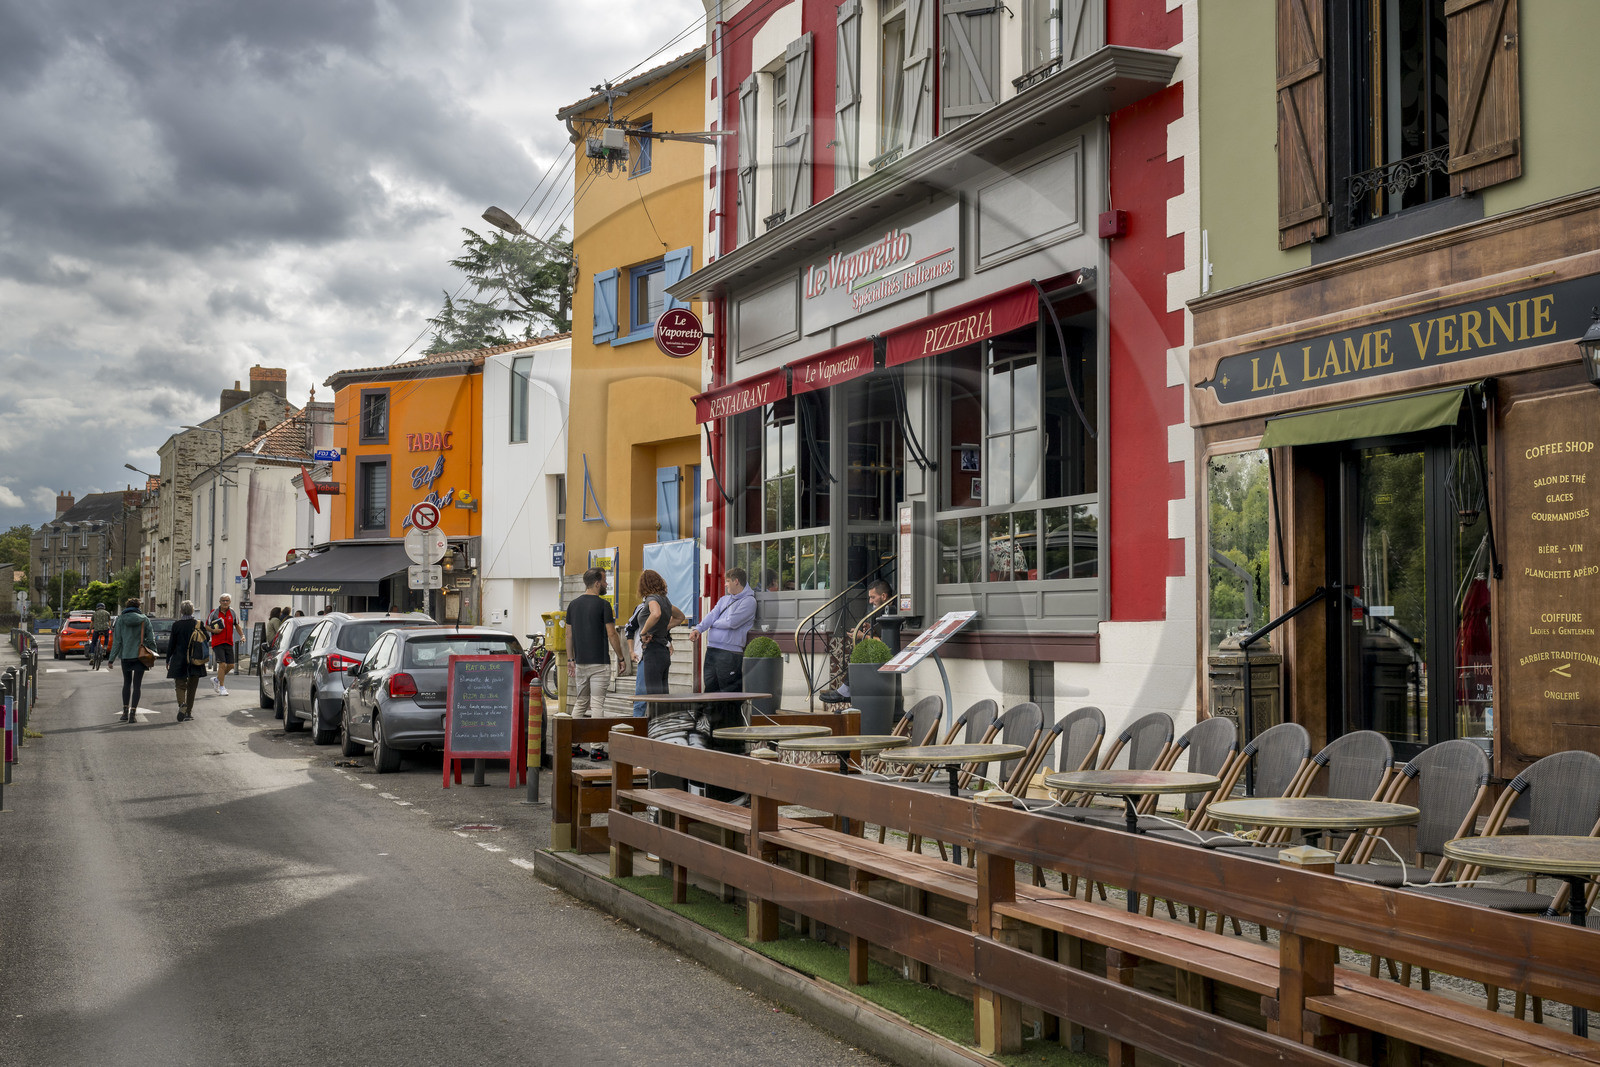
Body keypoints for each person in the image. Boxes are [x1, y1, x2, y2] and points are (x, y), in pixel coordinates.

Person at [565, 568, 629, 727]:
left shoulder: (573, 605)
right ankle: (596, 742)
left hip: (580, 663)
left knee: (581, 702)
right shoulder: (604, 605)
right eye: (604, 581)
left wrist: (570, 659)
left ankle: (571, 739)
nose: (606, 584)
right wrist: (621, 658)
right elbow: (612, 634)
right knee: (597, 704)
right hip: (599, 664)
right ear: (597, 583)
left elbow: (568, 635)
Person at [820, 580, 893, 703]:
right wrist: (870, 629)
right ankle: (848, 689)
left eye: (873, 597)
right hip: (878, 657)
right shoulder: (881, 610)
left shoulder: (892, 611)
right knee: (859, 645)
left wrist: (863, 636)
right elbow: (880, 634)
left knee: (862, 645)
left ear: (884, 596)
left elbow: (885, 642)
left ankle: (847, 690)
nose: (870, 601)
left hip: (890, 657)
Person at [690, 567, 757, 693]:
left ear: (736, 581)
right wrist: (698, 629)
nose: (725, 584)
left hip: (730, 653)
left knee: (729, 693)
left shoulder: (749, 601)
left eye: (727, 581)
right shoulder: (724, 599)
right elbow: (711, 615)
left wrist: (713, 624)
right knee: (710, 691)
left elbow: (732, 622)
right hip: (712, 650)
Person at [633, 569, 686, 698]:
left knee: (654, 695)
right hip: (663, 651)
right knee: (663, 695)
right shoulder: (665, 601)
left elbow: (656, 613)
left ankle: (655, 712)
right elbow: (680, 617)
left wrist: (644, 632)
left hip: (653, 650)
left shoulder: (651, 599)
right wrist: (663, 627)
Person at [107, 597, 155, 723]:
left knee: (127, 683)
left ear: (127, 607)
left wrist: (111, 659)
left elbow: (117, 641)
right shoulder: (144, 619)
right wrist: (154, 654)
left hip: (126, 656)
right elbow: (151, 639)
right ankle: (133, 714)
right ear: (138, 607)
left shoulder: (121, 620)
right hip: (140, 656)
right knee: (137, 685)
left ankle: (124, 713)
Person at [167, 600, 207, 721]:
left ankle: (182, 704)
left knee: (180, 685)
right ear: (192, 611)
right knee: (192, 687)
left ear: (181, 611)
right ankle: (188, 712)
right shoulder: (198, 624)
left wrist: (168, 659)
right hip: (195, 659)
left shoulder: (176, 625)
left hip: (179, 659)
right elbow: (207, 638)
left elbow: (171, 644)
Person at [207, 593, 238, 696]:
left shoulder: (232, 612)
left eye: (227, 600)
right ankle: (222, 687)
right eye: (223, 600)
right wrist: (214, 630)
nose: (225, 602)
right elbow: (206, 626)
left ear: (230, 602)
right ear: (219, 602)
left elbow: (237, 625)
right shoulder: (214, 612)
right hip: (218, 642)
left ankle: (216, 679)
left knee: (231, 665)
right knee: (222, 664)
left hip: (229, 642)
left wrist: (242, 635)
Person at [89, 601, 113, 668]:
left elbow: (92, 623)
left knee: (93, 643)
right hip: (105, 629)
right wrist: (109, 628)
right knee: (106, 637)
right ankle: (105, 648)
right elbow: (109, 622)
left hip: (97, 630)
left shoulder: (95, 614)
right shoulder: (107, 613)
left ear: (97, 608)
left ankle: (92, 657)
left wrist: (90, 630)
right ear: (104, 607)